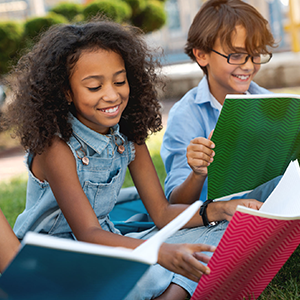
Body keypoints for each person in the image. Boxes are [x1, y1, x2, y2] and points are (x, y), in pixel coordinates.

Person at [4, 18, 263, 300]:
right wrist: (158, 252)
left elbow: (162, 213)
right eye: (94, 87)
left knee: (220, 232)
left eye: (119, 81)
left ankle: (170, 287)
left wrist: (220, 210)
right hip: (59, 258)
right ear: (66, 92)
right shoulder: (55, 147)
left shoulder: (128, 135)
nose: (112, 95)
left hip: (114, 245)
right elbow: (88, 234)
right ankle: (173, 291)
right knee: (154, 269)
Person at [161, 0, 278, 206]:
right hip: (216, 222)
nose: (249, 66)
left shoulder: (271, 104)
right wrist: (198, 173)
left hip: (273, 209)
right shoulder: (187, 115)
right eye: (237, 55)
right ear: (202, 54)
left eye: (255, 54)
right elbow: (175, 204)